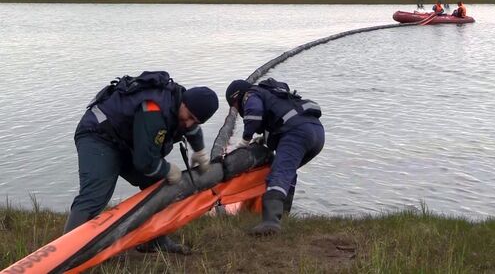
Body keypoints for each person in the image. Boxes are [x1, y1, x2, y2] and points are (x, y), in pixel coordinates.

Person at [64, 71, 219, 254]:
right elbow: (145, 162)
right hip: (98, 135)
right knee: (95, 196)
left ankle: (155, 240)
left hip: (126, 141)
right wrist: (168, 169)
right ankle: (65, 255)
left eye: (196, 120)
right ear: (184, 102)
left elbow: (191, 129)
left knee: (158, 187)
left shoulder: (180, 106)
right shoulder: (154, 109)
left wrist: (200, 152)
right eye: (190, 115)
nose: (188, 122)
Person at [225, 78, 325, 236]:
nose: (238, 111)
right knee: (287, 171)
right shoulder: (273, 95)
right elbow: (280, 118)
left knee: (279, 173)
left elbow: (254, 114)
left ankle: (270, 222)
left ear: (237, 97)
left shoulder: (251, 95)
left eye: (235, 107)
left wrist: (245, 140)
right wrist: (264, 139)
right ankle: (284, 216)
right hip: (317, 133)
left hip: (297, 133)